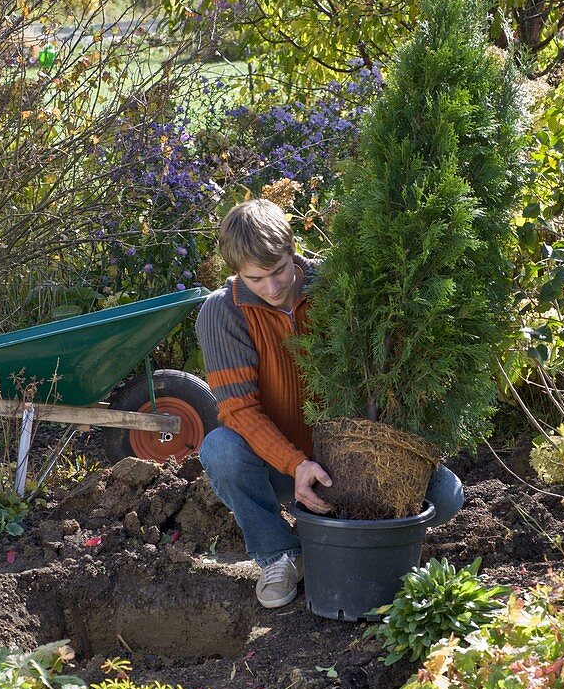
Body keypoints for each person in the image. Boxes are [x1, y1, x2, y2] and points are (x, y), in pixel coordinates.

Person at [195, 198, 464, 609]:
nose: (272, 287)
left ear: (292, 250)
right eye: (256, 278)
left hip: (350, 458)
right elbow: (239, 409)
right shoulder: (222, 313)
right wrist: (296, 465)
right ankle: (279, 554)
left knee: (447, 497)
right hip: (277, 466)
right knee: (220, 449)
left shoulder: (337, 287)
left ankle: (349, 536)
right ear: (236, 272)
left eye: (279, 271)